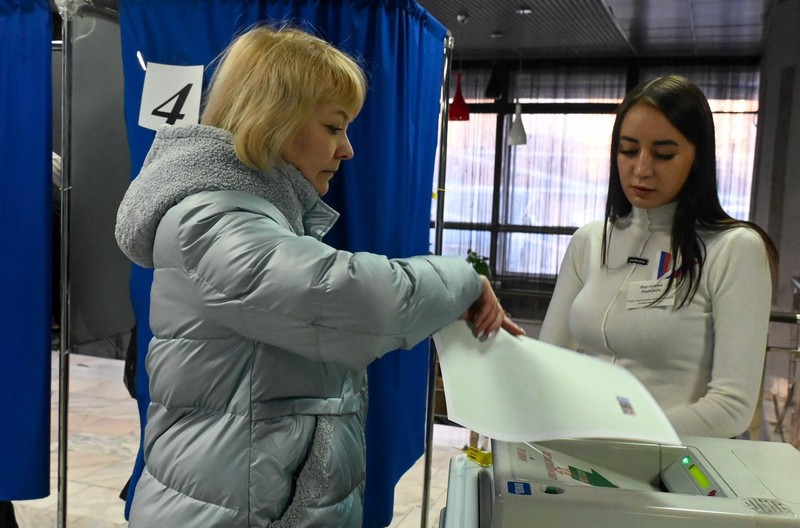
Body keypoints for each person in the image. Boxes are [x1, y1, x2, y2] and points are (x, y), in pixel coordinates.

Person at [114, 24, 523, 527]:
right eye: (334, 127)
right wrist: (463, 279)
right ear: (273, 121)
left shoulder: (249, 217)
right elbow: (357, 301)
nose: (347, 149)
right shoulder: (213, 222)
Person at [539, 75, 777, 439]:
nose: (642, 169)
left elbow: (732, 407)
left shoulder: (734, 249)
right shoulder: (590, 240)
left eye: (664, 154)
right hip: (583, 453)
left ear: (698, 157)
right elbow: (548, 362)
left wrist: (619, 436)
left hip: (677, 464)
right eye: (628, 150)